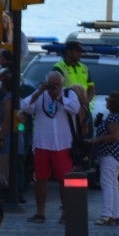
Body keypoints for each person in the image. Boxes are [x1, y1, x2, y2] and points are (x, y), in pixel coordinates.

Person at [20, 71, 80, 222]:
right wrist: (40, 91)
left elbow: (75, 108)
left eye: (57, 84)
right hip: (42, 144)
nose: (54, 87)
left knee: (64, 180)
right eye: (51, 84)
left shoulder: (68, 94)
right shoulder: (40, 94)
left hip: (63, 145)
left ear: (62, 84)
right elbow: (25, 106)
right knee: (40, 179)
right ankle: (40, 213)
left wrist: (59, 98)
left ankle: (65, 213)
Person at [87, 92, 119, 225]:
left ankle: (106, 215)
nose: (106, 100)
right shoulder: (118, 116)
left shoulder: (113, 118)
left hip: (109, 154)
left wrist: (96, 139)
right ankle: (115, 214)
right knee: (113, 184)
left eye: (108, 99)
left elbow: (114, 136)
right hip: (116, 155)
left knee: (107, 184)